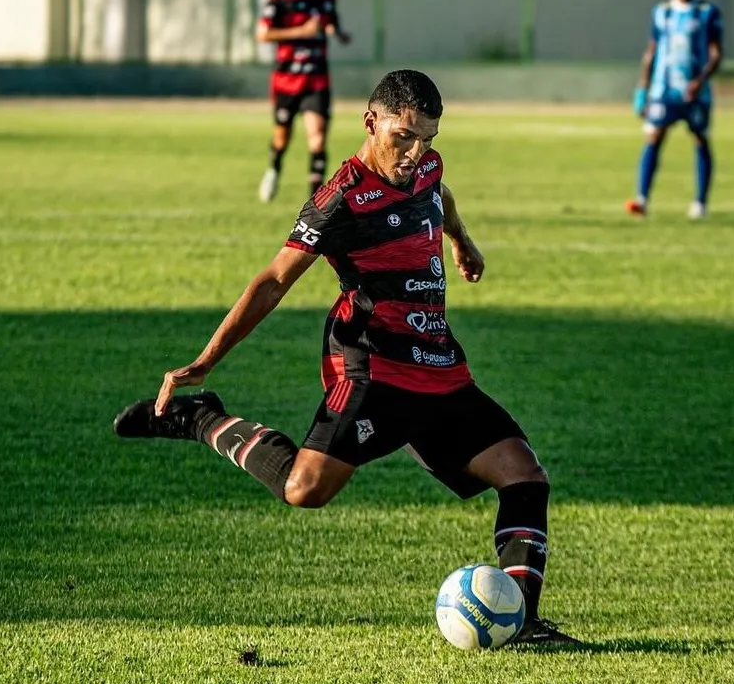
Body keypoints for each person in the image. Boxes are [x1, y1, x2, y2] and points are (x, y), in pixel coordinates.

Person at [114, 70, 580, 646]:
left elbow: (439, 195)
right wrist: (205, 359)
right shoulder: (340, 199)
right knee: (305, 491)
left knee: (525, 477)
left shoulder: (426, 169)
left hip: (438, 365)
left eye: (428, 139)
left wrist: (461, 239)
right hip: (373, 367)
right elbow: (272, 282)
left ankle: (523, 622)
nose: (416, 152)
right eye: (404, 137)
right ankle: (201, 417)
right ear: (371, 122)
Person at [626, 0, 723, 219]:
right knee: (654, 137)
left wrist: (701, 80)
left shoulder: (707, 12)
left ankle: (700, 202)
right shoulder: (662, 13)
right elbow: (651, 51)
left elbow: (716, 53)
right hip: (664, 90)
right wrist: (642, 89)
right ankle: (642, 198)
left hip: (695, 93)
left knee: (700, 140)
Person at [255, 0, 351, 203]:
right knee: (282, 136)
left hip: (317, 79)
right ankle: (274, 167)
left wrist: (339, 34)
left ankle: (314, 204)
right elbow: (263, 34)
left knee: (318, 139)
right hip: (287, 81)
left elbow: (331, 23)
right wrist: (301, 32)